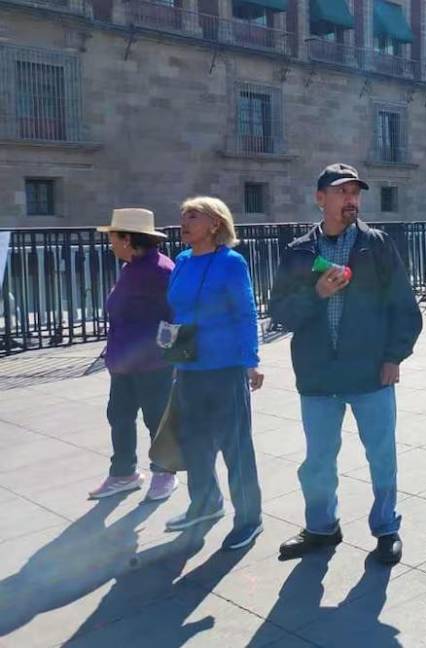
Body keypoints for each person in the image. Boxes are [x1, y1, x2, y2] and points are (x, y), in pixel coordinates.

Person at [269, 163, 423, 564]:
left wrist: (394, 357)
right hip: (318, 375)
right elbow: (280, 311)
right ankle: (321, 527)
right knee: (318, 461)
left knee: (381, 455)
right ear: (320, 199)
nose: (351, 199)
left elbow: (404, 307)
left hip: (370, 373)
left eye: (355, 192)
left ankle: (386, 527)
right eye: (341, 192)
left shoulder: (377, 245)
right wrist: (316, 294)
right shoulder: (299, 251)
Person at [164, 196, 265, 551]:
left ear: (215, 224)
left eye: (193, 216)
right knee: (194, 442)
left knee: (235, 445)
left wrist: (251, 360)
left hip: (225, 367)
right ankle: (205, 504)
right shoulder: (182, 261)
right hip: (188, 365)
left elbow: (246, 313)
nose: (184, 222)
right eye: (183, 215)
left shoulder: (231, 263)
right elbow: (176, 310)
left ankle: (249, 519)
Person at [88, 208, 177, 501]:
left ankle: (164, 472)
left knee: (156, 418)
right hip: (124, 362)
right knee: (119, 415)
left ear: (127, 239)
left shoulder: (161, 270)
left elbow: (177, 314)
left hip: (152, 364)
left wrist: (168, 354)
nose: (110, 244)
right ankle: (123, 473)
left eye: (113, 238)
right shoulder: (132, 267)